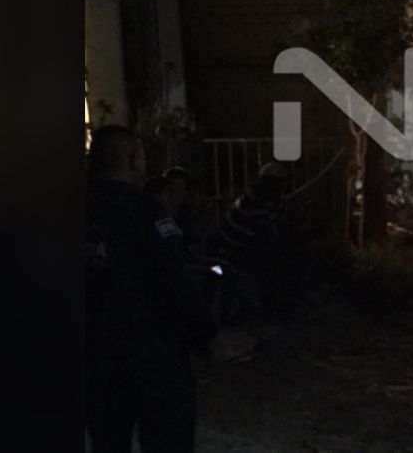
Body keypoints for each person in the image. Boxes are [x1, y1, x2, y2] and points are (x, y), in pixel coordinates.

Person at [86, 126, 217, 453]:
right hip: (153, 354)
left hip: (94, 357)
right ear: (133, 160)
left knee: (107, 441)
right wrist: (206, 332)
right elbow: (178, 281)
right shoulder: (144, 212)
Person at [218, 162, 298, 323]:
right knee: (275, 264)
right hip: (236, 252)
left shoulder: (263, 199)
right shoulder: (254, 204)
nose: (282, 187)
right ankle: (273, 310)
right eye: (279, 183)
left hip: (244, 248)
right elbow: (268, 235)